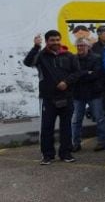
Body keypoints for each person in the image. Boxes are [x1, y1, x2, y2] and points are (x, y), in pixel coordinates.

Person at [23, 30, 80, 165]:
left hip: (66, 97)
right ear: (47, 41)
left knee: (66, 127)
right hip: (47, 98)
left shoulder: (69, 55)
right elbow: (28, 62)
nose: (55, 42)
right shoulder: (41, 56)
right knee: (47, 127)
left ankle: (66, 153)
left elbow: (77, 73)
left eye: (57, 40)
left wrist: (66, 82)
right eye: (52, 40)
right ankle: (47, 155)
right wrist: (36, 47)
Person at [71, 38, 105, 152]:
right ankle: (75, 143)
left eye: (82, 45)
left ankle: (102, 142)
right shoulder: (73, 59)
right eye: (78, 46)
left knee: (99, 118)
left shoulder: (96, 58)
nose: (80, 48)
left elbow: (96, 75)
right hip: (78, 93)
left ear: (88, 47)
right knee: (76, 120)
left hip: (94, 93)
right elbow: (72, 76)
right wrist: (86, 73)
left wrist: (80, 75)